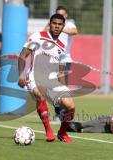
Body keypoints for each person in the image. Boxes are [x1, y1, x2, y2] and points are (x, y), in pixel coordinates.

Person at [18, 14, 75, 142]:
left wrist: (63, 82)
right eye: (54, 23)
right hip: (35, 76)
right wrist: (21, 74)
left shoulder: (62, 45)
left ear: (63, 26)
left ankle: (62, 133)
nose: (56, 26)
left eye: (60, 24)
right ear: (50, 24)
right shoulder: (38, 36)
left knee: (70, 106)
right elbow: (22, 55)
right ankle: (49, 131)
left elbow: (60, 67)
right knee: (40, 95)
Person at [44, 6, 78, 124]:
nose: (60, 17)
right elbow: (43, 35)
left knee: (62, 89)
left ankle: (64, 114)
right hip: (53, 59)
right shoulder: (53, 26)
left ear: (66, 15)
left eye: (62, 15)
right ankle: (59, 114)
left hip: (65, 60)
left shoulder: (69, 24)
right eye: (58, 15)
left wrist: (61, 28)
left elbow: (75, 32)